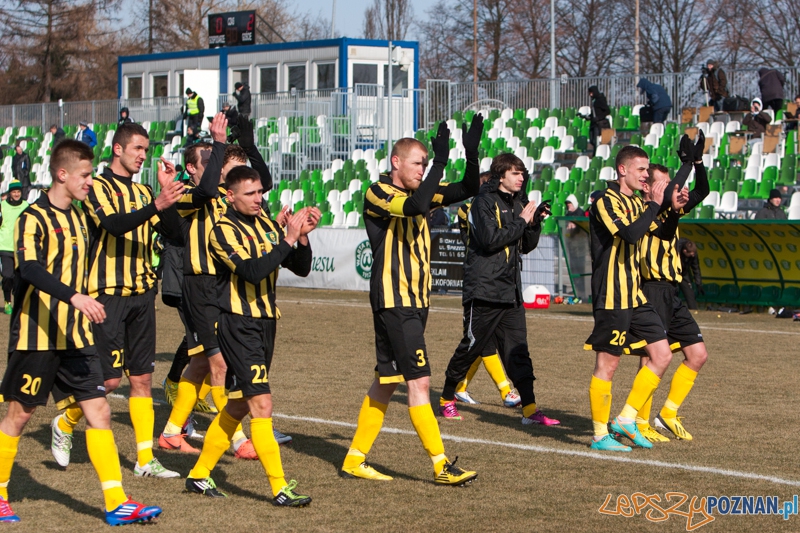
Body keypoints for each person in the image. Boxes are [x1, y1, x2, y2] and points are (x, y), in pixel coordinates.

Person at [0, 139, 161, 525]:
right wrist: (75, 297)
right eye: (85, 175)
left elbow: (118, 226)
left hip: (77, 336)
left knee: (99, 410)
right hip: (37, 335)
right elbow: (30, 269)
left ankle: (117, 502)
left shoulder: (82, 216)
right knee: (20, 416)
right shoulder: (33, 217)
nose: (90, 182)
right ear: (62, 174)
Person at [339, 117, 483, 485]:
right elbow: (414, 206)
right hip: (395, 299)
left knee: (386, 381)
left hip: (415, 300)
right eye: (418, 163)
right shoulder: (378, 192)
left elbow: (468, 187)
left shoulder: (423, 190)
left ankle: (354, 459)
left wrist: (470, 154)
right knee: (419, 381)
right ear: (396, 162)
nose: (423, 169)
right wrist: (440, 162)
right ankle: (441, 465)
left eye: (426, 163)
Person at [49, 124, 185, 478]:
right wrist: (156, 204)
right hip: (107, 296)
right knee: (108, 383)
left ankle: (144, 460)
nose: (143, 155)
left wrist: (165, 197)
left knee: (141, 380)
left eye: (146, 150)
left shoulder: (144, 191)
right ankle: (65, 422)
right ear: (118, 149)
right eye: (137, 148)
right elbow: (113, 225)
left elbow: (176, 234)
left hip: (142, 295)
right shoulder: (96, 186)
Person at [184, 166, 319, 506]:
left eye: (260, 192)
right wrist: (287, 238)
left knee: (239, 404)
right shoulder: (222, 230)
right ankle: (280, 488)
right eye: (250, 193)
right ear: (230, 196)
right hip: (238, 324)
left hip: (266, 322)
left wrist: (302, 238)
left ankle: (199, 474)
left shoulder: (266, 225)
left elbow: (301, 267)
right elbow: (251, 271)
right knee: (262, 404)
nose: (259, 199)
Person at [160, 112, 288, 460]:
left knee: (202, 364)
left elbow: (263, 182)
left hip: (222, 286)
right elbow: (205, 189)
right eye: (230, 168)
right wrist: (219, 144)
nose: (237, 174)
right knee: (219, 364)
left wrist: (248, 145)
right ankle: (236, 439)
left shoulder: (231, 198)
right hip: (200, 287)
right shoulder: (197, 195)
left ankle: (171, 432)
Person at [438, 153, 558, 427]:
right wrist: (522, 222)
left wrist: (534, 223)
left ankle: (530, 410)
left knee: (518, 352)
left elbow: (525, 246)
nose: (521, 178)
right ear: (500, 175)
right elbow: (490, 240)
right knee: (471, 347)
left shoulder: (518, 204)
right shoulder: (483, 202)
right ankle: (446, 399)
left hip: (510, 291)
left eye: (522, 173)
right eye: (515, 173)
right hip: (484, 289)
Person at [584, 145, 686, 452]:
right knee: (609, 364)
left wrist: (674, 208)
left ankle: (626, 419)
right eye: (641, 170)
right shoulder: (605, 200)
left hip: (635, 294)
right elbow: (628, 234)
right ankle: (600, 435)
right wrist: (654, 205)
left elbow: (662, 232)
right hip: (611, 294)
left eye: (646, 170)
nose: (645, 175)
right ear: (622, 170)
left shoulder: (638, 203)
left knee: (662, 355)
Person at [635, 134, 709, 443]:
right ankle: (639, 421)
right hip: (652, 289)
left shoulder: (670, 208)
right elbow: (665, 229)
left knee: (698, 354)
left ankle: (668, 413)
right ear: (648, 187)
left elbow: (702, 191)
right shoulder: (644, 211)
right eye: (665, 184)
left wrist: (698, 163)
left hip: (672, 292)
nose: (672, 188)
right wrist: (686, 165)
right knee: (651, 358)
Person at [451, 171, 521, 408]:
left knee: (482, 341)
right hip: (482, 279)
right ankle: (505, 391)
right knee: (482, 341)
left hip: (497, 280)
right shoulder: (472, 207)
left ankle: (460, 387)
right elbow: (487, 238)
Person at [0, 181, 29, 314]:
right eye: (14, 192)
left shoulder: (26, 206)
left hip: (21, 247)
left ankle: (18, 302)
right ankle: (7, 302)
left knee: (20, 278)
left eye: (18, 192)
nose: (16, 194)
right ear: (10, 193)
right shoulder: (3, 206)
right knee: (7, 276)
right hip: (5, 246)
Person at [678, 239, 703, 310]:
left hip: (684, 273)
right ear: (685, 251)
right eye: (691, 254)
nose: (693, 255)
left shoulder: (693, 254)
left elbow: (696, 268)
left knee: (689, 293)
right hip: (672, 273)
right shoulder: (675, 250)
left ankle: (693, 311)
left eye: (694, 253)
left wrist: (698, 284)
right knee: (671, 291)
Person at [587, 86, 611, 153]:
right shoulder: (594, 101)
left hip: (599, 124)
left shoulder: (600, 100)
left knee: (596, 141)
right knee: (592, 140)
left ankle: (596, 153)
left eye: (591, 93)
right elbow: (595, 112)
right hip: (594, 123)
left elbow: (607, 111)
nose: (590, 95)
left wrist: (598, 117)